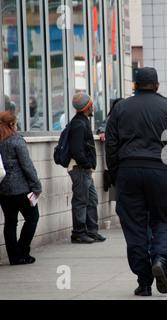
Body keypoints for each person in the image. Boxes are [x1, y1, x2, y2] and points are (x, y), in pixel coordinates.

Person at [105, 67, 167, 296]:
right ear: (157, 85)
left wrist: (115, 174)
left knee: (134, 227)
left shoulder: (120, 108)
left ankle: (143, 281)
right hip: (161, 172)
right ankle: (160, 258)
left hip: (128, 170)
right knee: (162, 221)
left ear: (135, 85)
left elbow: (111, 145)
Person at [0, 111, 41, 265]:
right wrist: (36, 185)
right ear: (12, 124)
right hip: (20, 189)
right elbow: (27, 166)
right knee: (32, 218)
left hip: (3, 189)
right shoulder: (17, 141)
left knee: (10, 222)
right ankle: (23, 250)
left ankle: (14, 256)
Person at [68, 92, 105, 244]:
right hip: (80, 168)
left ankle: (91, 231)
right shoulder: (78, 124)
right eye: (91, 104)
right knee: (81, 200)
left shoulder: (81, 122)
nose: (93, 107)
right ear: (87, 106)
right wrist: (87, 165)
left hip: (84, 169)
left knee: (91, 200)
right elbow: (77, 150)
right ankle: (78, 233)